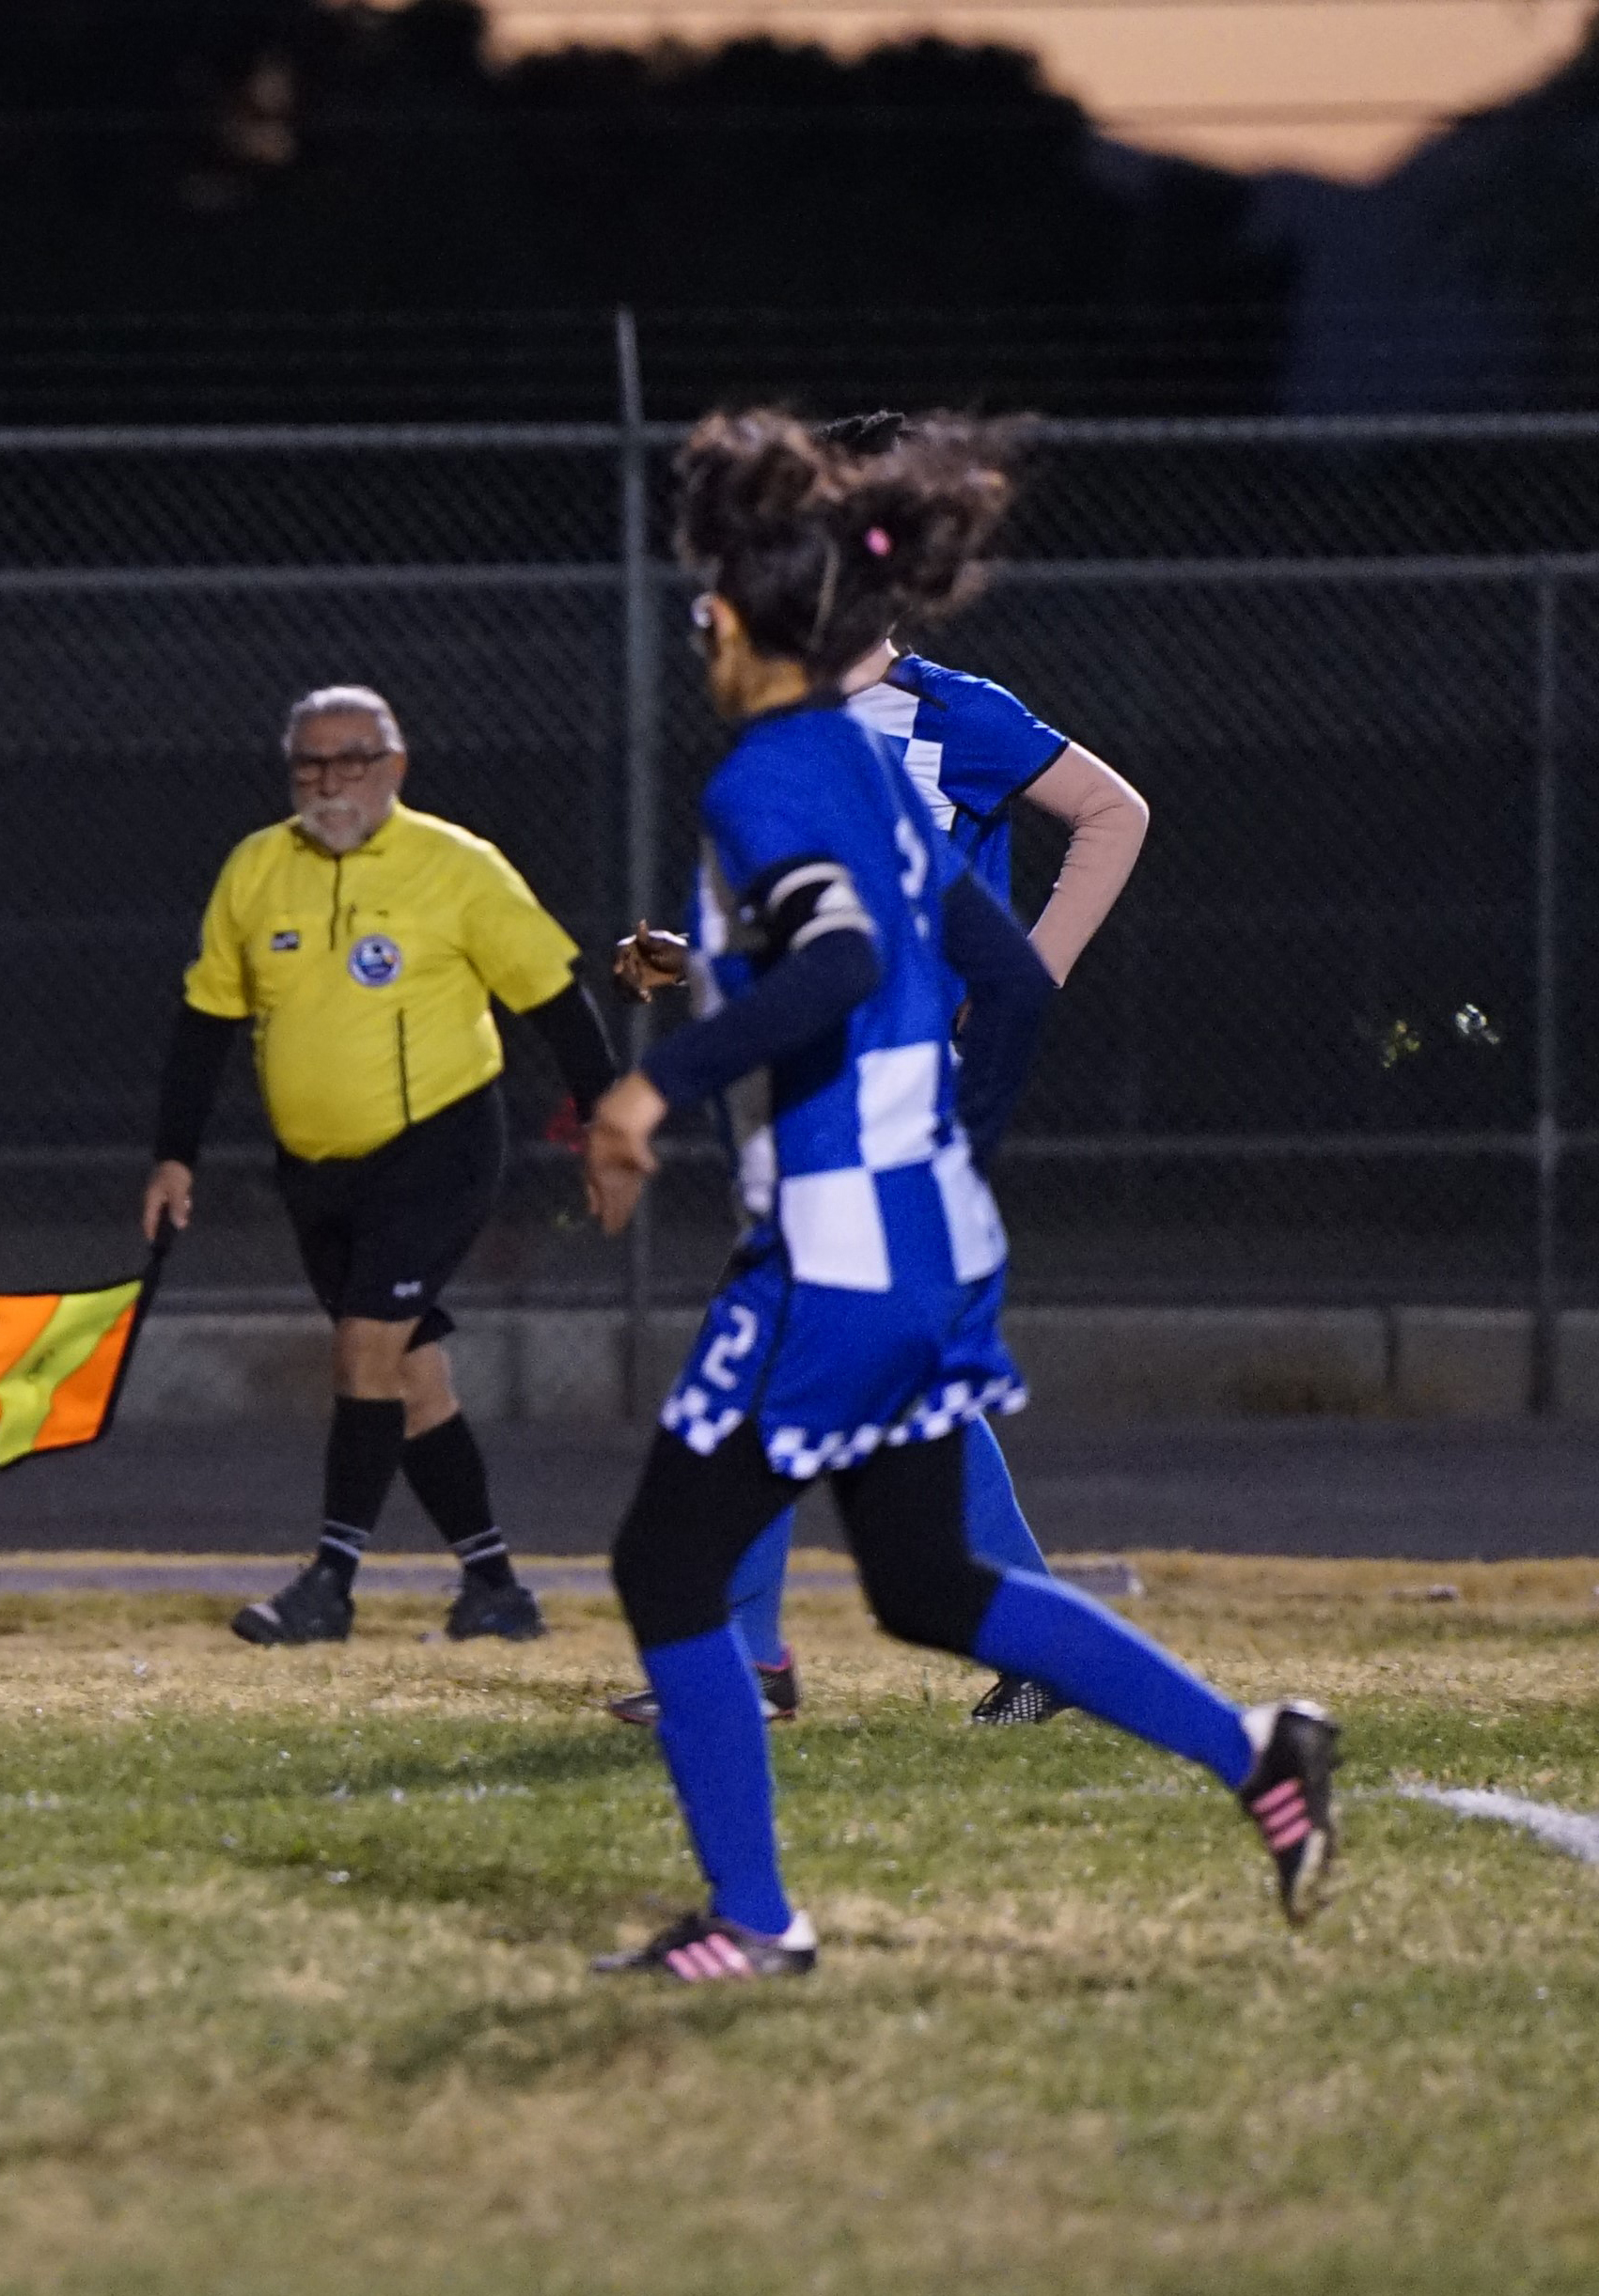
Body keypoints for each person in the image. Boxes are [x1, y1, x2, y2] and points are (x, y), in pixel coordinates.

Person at [580, 410, 1335, 1981]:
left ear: (764, 611)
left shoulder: (776, 771)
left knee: (665, 1564)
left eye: (711, 595)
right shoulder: (880, 771)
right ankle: (1258, 1747)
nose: (699, 620)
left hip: (833, 1250)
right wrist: (879, 1071)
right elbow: (981, 964)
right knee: (928, 1582)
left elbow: (847, 959)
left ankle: (753, 1919)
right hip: (918, 1231)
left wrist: (659, 1080)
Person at [602, 409, 1156, 1731]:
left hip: (889, 1098)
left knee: (812, 1338)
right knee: (874, 1355)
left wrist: (1015, 979)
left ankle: (751, 1657)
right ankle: (991, 1647)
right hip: (812, 1094)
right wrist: (694, 963)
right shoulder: (799, 734)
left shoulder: (939, 713)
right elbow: (835, 933)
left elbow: (1109, 813)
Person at [142, 684, 618, 1648]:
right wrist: (173, 1155)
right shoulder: (257, 867)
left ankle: (330, 1583)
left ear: (394, 767)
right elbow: (206, 1021)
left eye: (351, 759)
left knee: (363, 1351)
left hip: (439, 1145)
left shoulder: (456, 867)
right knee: (409, 1377)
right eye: (310, 763)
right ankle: (495, 1588)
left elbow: (557, 1001)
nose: (330, 781)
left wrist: (608, 1131)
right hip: (314, 1171)